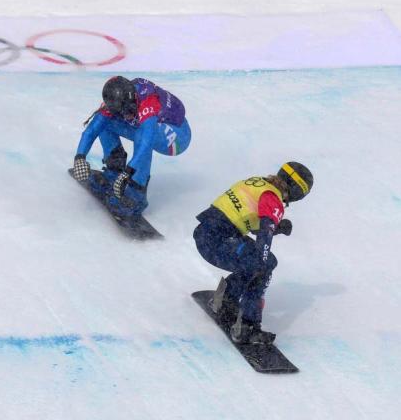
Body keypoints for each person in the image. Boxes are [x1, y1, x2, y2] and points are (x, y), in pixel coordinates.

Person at [193, 162, 314, 344]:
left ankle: (224, 300)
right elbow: (264, 236)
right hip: (218, 243)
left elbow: (246, 219)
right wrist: (261, 263)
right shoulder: (273, 199)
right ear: (297, 191)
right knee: (264, 265)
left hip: (206, 235)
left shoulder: (257, 183)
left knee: (254, 260)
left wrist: (276, 227)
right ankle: (247, 327)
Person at [72, 76, 192, 218]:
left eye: (130, 110)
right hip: (155, 127)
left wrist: (129, 171)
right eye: (123, 111)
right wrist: (80, 157)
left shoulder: (148, 100)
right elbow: (92, 129)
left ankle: (136, 195)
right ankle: (114, 170)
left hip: (178, 136)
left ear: (133, 99)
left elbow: (146, 141)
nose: (127, 115)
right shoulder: (116, 101)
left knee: (143, 134)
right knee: (105, 122)